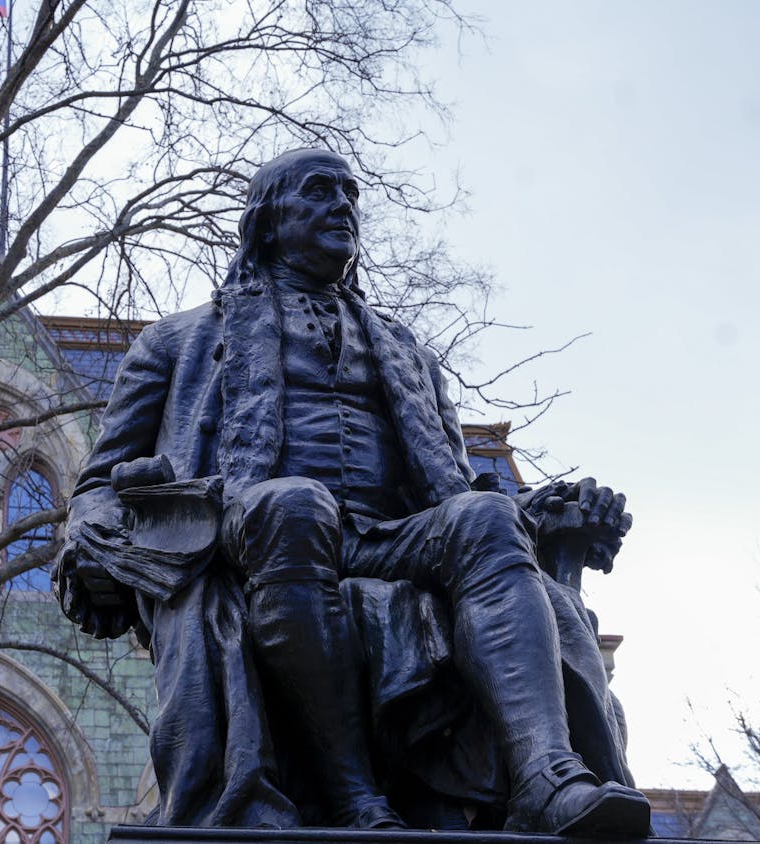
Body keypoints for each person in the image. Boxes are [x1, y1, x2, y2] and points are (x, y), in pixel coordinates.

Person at [55, 149, 649, 837]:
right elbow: (97, 486)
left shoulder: (408, 353)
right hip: (254, 529)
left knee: (484, 517)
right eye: (318, 192)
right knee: (294, 505)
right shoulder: (177, 341)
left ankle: (546, 776)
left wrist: (547, 512)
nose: (342, 206)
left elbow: (454, 482)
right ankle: (352, 793)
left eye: (349, 194)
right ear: (267, 222)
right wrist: (102, 533)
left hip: (390, 536)